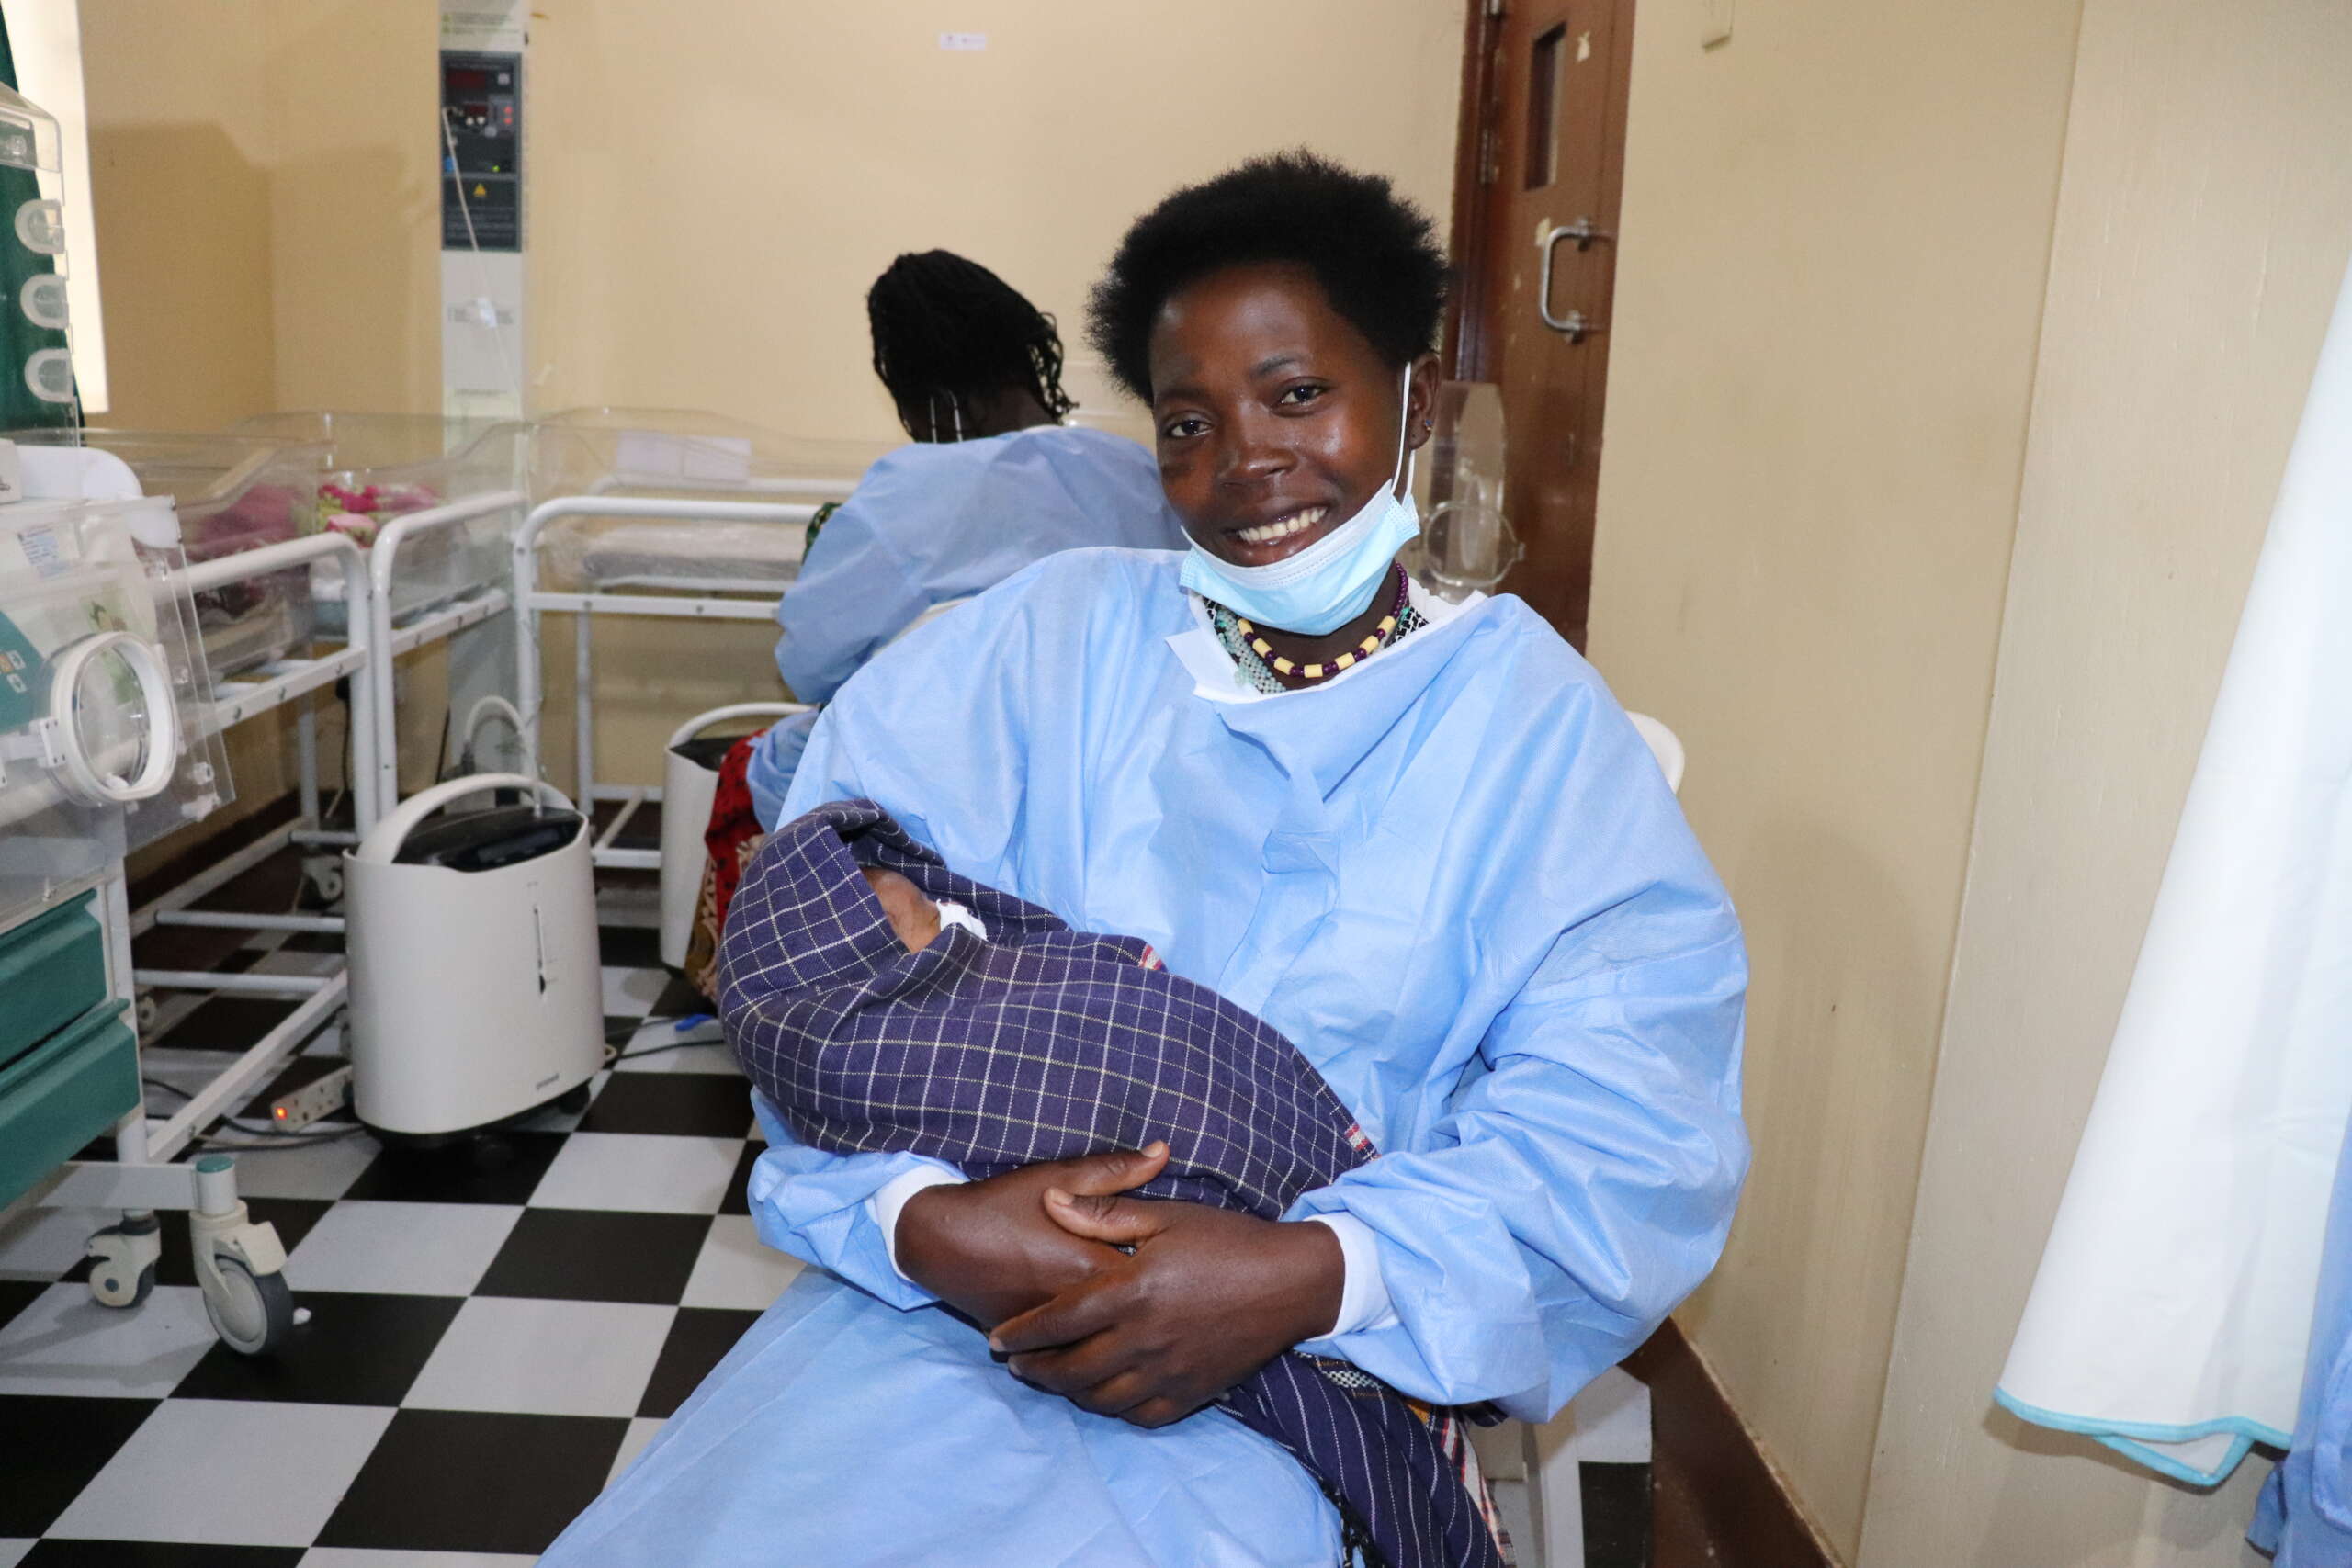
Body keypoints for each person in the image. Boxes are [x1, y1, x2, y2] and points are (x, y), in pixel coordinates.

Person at [547, 152, 1748, 1568]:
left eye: (1299, 393)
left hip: (1309, 1357)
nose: (1246, 460)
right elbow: (825, 997)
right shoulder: (1037, 649)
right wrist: (922, 1221)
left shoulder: (1537, 736)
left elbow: (1626, 1140)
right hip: (938, 1318)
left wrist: (1303, 1272)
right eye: (1189, 420)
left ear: (1411, 395)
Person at [741, 249, 1184, 826]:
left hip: (941, 798)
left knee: (769, 762)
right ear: (1026, 353)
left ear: (926, 397)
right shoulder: (1144, 473)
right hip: (1116, 776)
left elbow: (809, 666)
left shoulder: (904, 494)